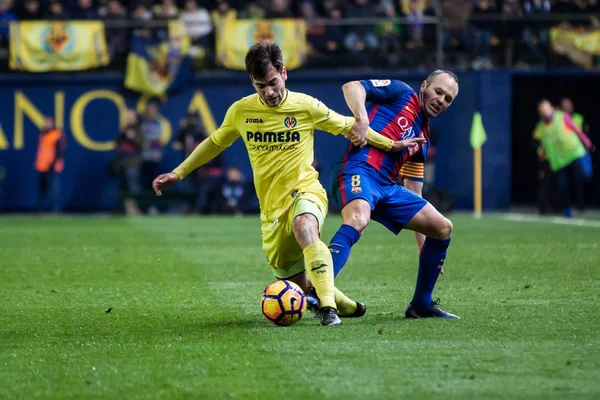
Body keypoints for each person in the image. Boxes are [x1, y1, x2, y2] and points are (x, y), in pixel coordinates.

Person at [152, 41, 422, 326]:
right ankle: (346, 304)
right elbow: (215, 142)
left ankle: (328, 308)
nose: (268, 92)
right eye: (260, 85)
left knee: (305, 226)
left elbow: (349, 126)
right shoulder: (241, 112)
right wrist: (178, 173)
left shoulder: (305, 106)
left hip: (306, 190)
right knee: (299, 284)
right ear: (251, 82)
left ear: (284, 72)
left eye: (272, 82)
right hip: (271, 208)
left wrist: (392, 145)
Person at [325, 72, 460, 319]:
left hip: (386, 188)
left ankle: (421, 304)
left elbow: (414, 191)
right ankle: (320, 291)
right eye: (438, 92)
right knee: (358, 218)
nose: (441, 100)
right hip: (358, 169)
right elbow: (352, 86)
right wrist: (362, 120)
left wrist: (423, 245)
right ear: (423, 86)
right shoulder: (401, 93)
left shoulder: (423, 140)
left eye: (448, 99)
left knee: (442, 228)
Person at [534, 99, 594, 217]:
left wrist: (588, 143)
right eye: (542, 110)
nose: (545, 112)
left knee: (585, 175)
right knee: (562, 186)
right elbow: (541, 143)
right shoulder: (540, 127)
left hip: (574, 153)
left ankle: (581, 202)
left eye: (546, 108)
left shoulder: (562, 117)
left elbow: (577, 130)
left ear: (552, 107)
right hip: (559, 161)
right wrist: (542, 155)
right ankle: (567, 210)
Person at [35, 116, 66, 213]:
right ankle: (40, 209)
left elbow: (60, 152)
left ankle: (55, 209)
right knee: (42, 189)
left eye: (48, 122)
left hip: (52, 167)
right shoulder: (43, 134)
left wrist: (53, 163)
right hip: (42, 166)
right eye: (45, 122)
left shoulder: (56, 135)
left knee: (53, 189)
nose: (46, 124)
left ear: (52, 123)